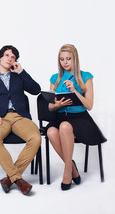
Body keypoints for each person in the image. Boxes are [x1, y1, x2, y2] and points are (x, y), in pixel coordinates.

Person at [0, 45, 41, 195]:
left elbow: (36, 89)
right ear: (0, 58)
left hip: (20, 116)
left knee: (36, 138)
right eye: (7, 55)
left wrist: (21, 72)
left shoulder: (19, 76)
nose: (10, 59)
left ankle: (10, 178)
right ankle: (18, 179)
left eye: (13, 57)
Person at [46, 44, 106, 191]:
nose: (65, 62)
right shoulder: (55, 78)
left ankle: (67, 172)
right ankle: (72, 166)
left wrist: (74, 91)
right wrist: (57, 104)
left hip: (79, 117)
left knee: (65, 127)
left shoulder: (86, 76)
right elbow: (49, 106)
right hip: (60, 115)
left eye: (68, 58)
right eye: (62, 59)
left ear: (75, 59)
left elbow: (89, 105)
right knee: (51, 132)